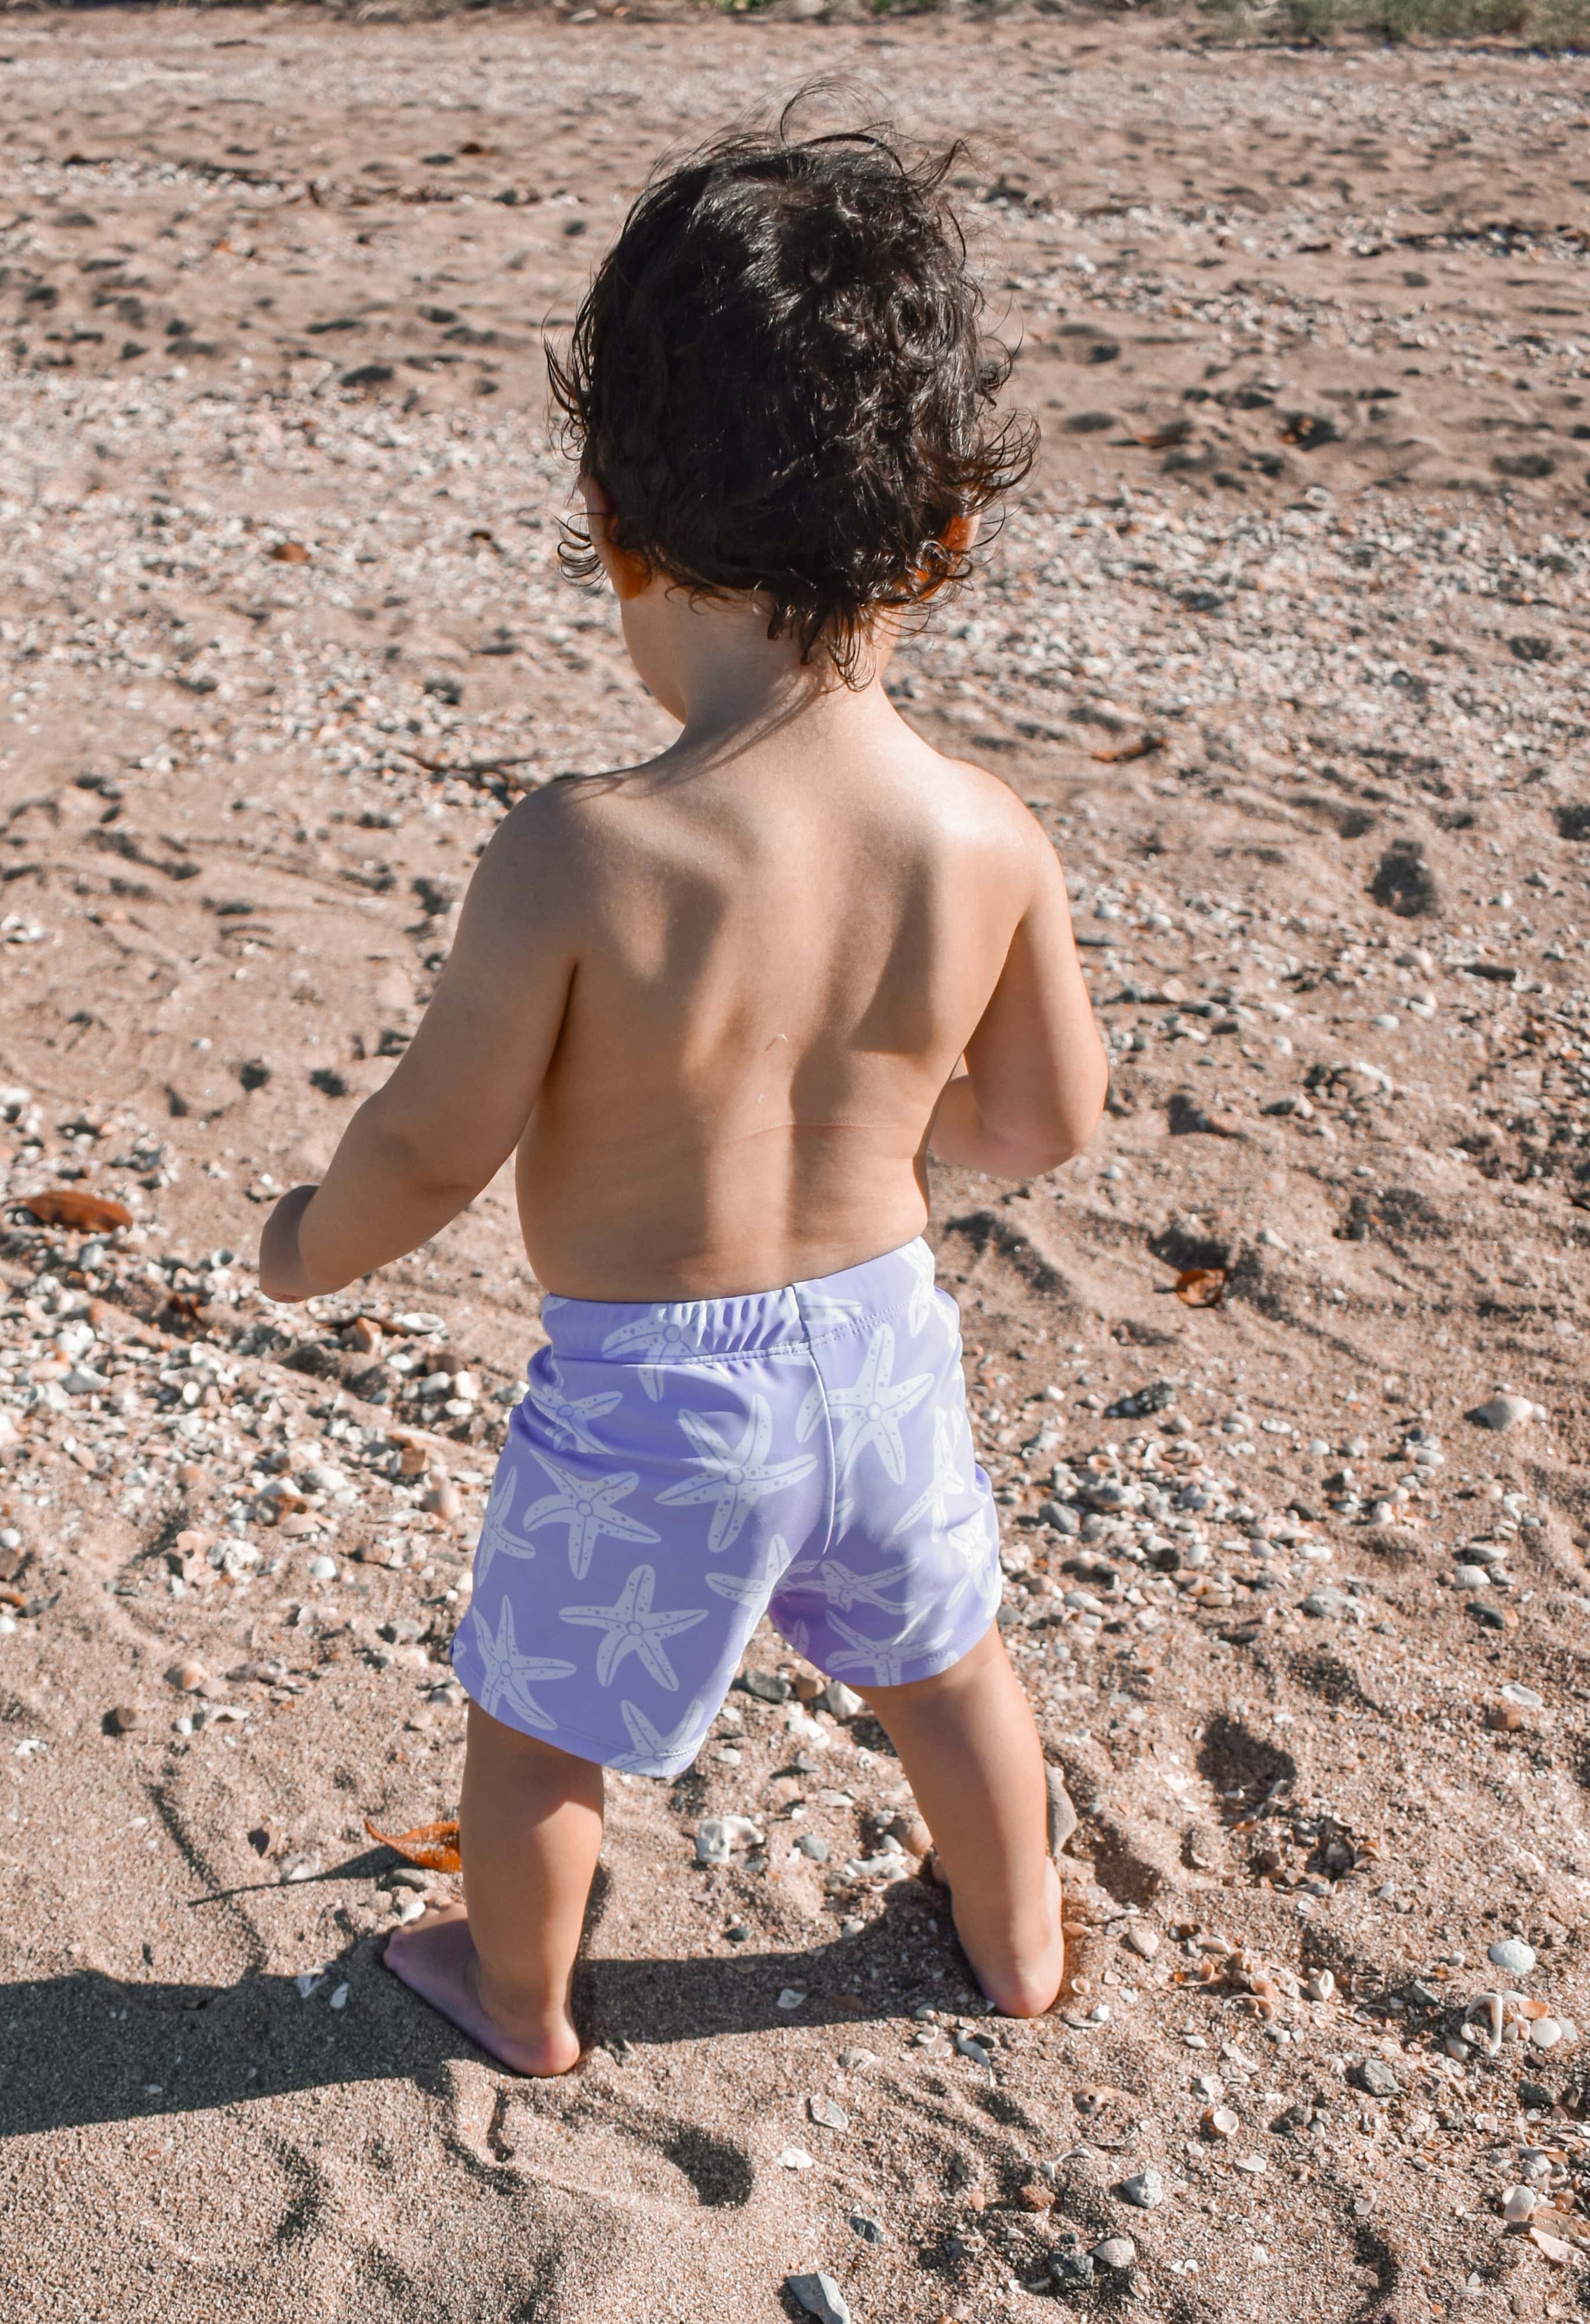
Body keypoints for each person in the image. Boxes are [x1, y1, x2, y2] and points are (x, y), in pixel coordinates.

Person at [257, 103, 1105, 2078]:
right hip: (883, 1345)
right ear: (951, 532)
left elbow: (427, 1142)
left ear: (620, 533)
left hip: (659, 1400)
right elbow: (1042, 1122)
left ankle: (518, 1994)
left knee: (544, 1722)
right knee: (946, 1664)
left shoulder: (587, 850)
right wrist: (909, 1134)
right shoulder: (985, 833)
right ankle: (1018, 1940)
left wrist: (311, 1245)